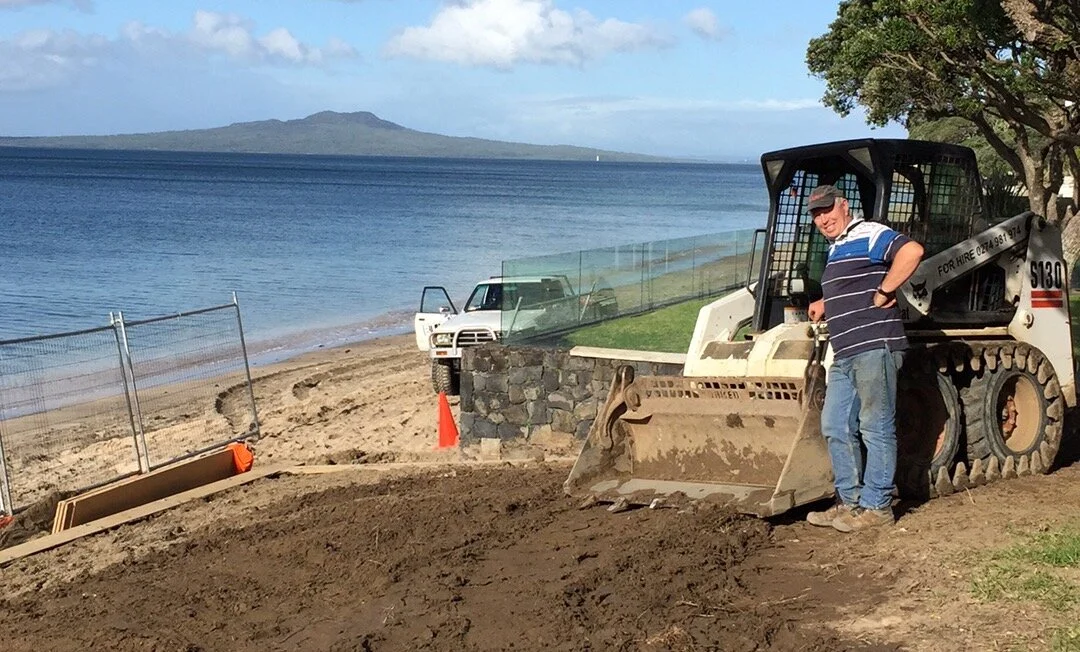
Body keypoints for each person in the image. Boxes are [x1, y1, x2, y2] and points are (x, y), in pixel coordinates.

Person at [803, 184, 925, 533]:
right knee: (835, 425)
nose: (823, 219)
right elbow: (852, 286)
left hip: (873, 345)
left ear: (844, 205)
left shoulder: (869, 233)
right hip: (845, 351)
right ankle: (850, 502)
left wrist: (885, 290)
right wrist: (826, 303)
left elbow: (912, 251)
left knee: (875, 426)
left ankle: (877, 507)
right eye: (816, 214)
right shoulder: (836, 248)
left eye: (828, 210)